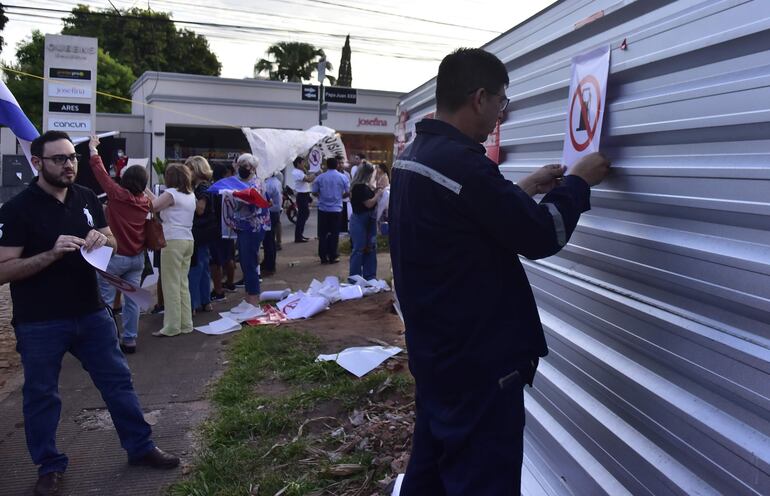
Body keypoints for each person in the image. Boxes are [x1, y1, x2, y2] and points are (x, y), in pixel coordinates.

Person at [389, 48, 611, 496]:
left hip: (437, 358)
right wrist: (579, 183)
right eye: (501, 104)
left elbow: (465, 220)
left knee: (430, 472)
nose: (500, 115)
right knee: (481, 479)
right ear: (479, 97)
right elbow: (542, 235)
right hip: (478, 369)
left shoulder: (418, 155)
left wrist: (521, 190)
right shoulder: (464, 167)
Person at [0, 131, 179, 496]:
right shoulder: (17, 209)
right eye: (59, 159)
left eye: (72, 158)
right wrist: (50, 254)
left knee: (118, 382)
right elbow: (3, 270)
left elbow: (110, 238)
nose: (69, 165)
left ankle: (141, 448)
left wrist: (103, 239)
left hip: (91, 312)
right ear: (37, 163)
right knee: (42, 395)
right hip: (40, 321)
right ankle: (49, 467)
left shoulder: (84, 197)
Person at [88, 135, 150, 354]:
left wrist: (93, 149)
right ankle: (130, 339)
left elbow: (100, 173)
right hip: (137, 258)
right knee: (132, 300)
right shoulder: (145, 201)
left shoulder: (117, 195)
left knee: (104, 299)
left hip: (114, 256)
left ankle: (107, 340)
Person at [146, 164, 196, 337]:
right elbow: (158, 203)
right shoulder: (189, 195)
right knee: (182, 283)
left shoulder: (171, 194)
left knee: (170, 284)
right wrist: (146, 190)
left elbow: (152, 206)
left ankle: (172, 326)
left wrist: (141, 188)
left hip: (173, 240)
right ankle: (185, 323)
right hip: (187, 239)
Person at [231, 154, 271, 305]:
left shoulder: (256, 183)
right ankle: (249, 295)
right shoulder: (239, 181)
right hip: (242, 226)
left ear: (253, 168)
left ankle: (253, 298)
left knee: (249, 262)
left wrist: (237, 197)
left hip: (252, 227)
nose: (242, 168)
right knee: (244, 261)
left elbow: (256, 202)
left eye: (245, 166)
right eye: (240, 164)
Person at [184, 156, 218, 314]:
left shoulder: (201, 188)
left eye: (189, 168)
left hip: (199, 231)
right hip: (206, 231)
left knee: (196, 267)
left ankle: (193, 303)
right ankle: (205, 301)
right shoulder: (206, 186)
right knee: (203, 267)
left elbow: (200, 209)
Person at [348, 162, 384, 280]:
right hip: (360, 219)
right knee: (359, 249)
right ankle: (355, 278)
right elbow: (368, 203)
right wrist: (378, 194)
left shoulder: (364, 186)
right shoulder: (359, 187)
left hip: (368, 219)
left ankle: (370, 276)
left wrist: (375, 191)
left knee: (371, 247)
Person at [311, 157, 350, 264]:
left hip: (323, 208)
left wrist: (321, 196)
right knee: (334, 233)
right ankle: (333, 256)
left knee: (322, 233)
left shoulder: (320, 177)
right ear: (337, 165)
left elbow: (314, 191)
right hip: (336, 209)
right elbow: (348, 192)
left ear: (327, 165)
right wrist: (340, 196)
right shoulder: (342, 177)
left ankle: (323, 256)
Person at [209, 162, 236, 300]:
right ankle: (230, 283)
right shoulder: (229, 189)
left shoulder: (213, 189)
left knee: (215, 261)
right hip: (229, 226)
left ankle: (218, 290)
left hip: (215, 228)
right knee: (229, 257)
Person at [261, 170, 283, 276]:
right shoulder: (276, 181)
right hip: (275, 212)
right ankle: (268, 262)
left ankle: (269, 266)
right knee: (270, 240)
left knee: (268, 240)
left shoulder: (268, 184)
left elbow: (263, 198)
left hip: (270, 212)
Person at [291, 156, 315, 243]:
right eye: (303, 163)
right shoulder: (297, 172)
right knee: (302, 216)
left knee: (304, 214)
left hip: (305, 194)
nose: (304, 164)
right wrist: (315, 174)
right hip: (301, 195)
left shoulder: (301, 171)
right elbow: (308, 180)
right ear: (298, 163)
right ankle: (298, 237)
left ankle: (300, 235)